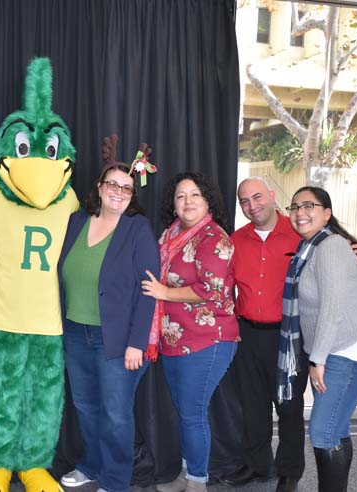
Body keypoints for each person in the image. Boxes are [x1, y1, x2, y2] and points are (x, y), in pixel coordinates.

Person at [225, 177, 357, 492]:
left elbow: (341, 263)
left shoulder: (303, 235)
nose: (252, 205)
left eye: (258, 197)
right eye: (244, 201)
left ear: (273, 196)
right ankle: (257, 465)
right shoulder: (235, 240)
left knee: (288, 406)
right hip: (247, 334)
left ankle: (290, 471)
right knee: (252, 405)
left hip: (289, 337)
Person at [57, 136, 159, 492]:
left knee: (116, 413)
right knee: (85, 406)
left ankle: (116, 481)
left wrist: (136, 343)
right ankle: (91, 465)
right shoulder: (75, 222)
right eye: (113, 184)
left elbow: (148, 292)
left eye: (127, 188)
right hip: (75, 332)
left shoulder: (137, 230)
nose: (119, 191)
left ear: (132, 195)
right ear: (99, 187)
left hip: (115, 339)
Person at [279, 186, 357, 492]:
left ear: (327, 213)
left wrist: (318, 359)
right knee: (336, 430)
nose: (300, 212)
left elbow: (333, 309)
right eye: (295, 206)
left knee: (324, 433)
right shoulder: (310, 248)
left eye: (309, 205)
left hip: (345, 354)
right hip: (337, 352)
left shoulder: (332, 246)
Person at [142, 172, 238, 492]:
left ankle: (198, 482)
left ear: (207, 199)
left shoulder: (214, 238)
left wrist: (163, 293)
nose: (188, 201)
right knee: (185, 412)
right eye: (181, 196)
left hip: (208, 340)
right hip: (174, 339)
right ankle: (189, 471)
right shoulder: (170, 235)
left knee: (192, 413)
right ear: (173, 204)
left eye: (195, 194)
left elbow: (210, 289)